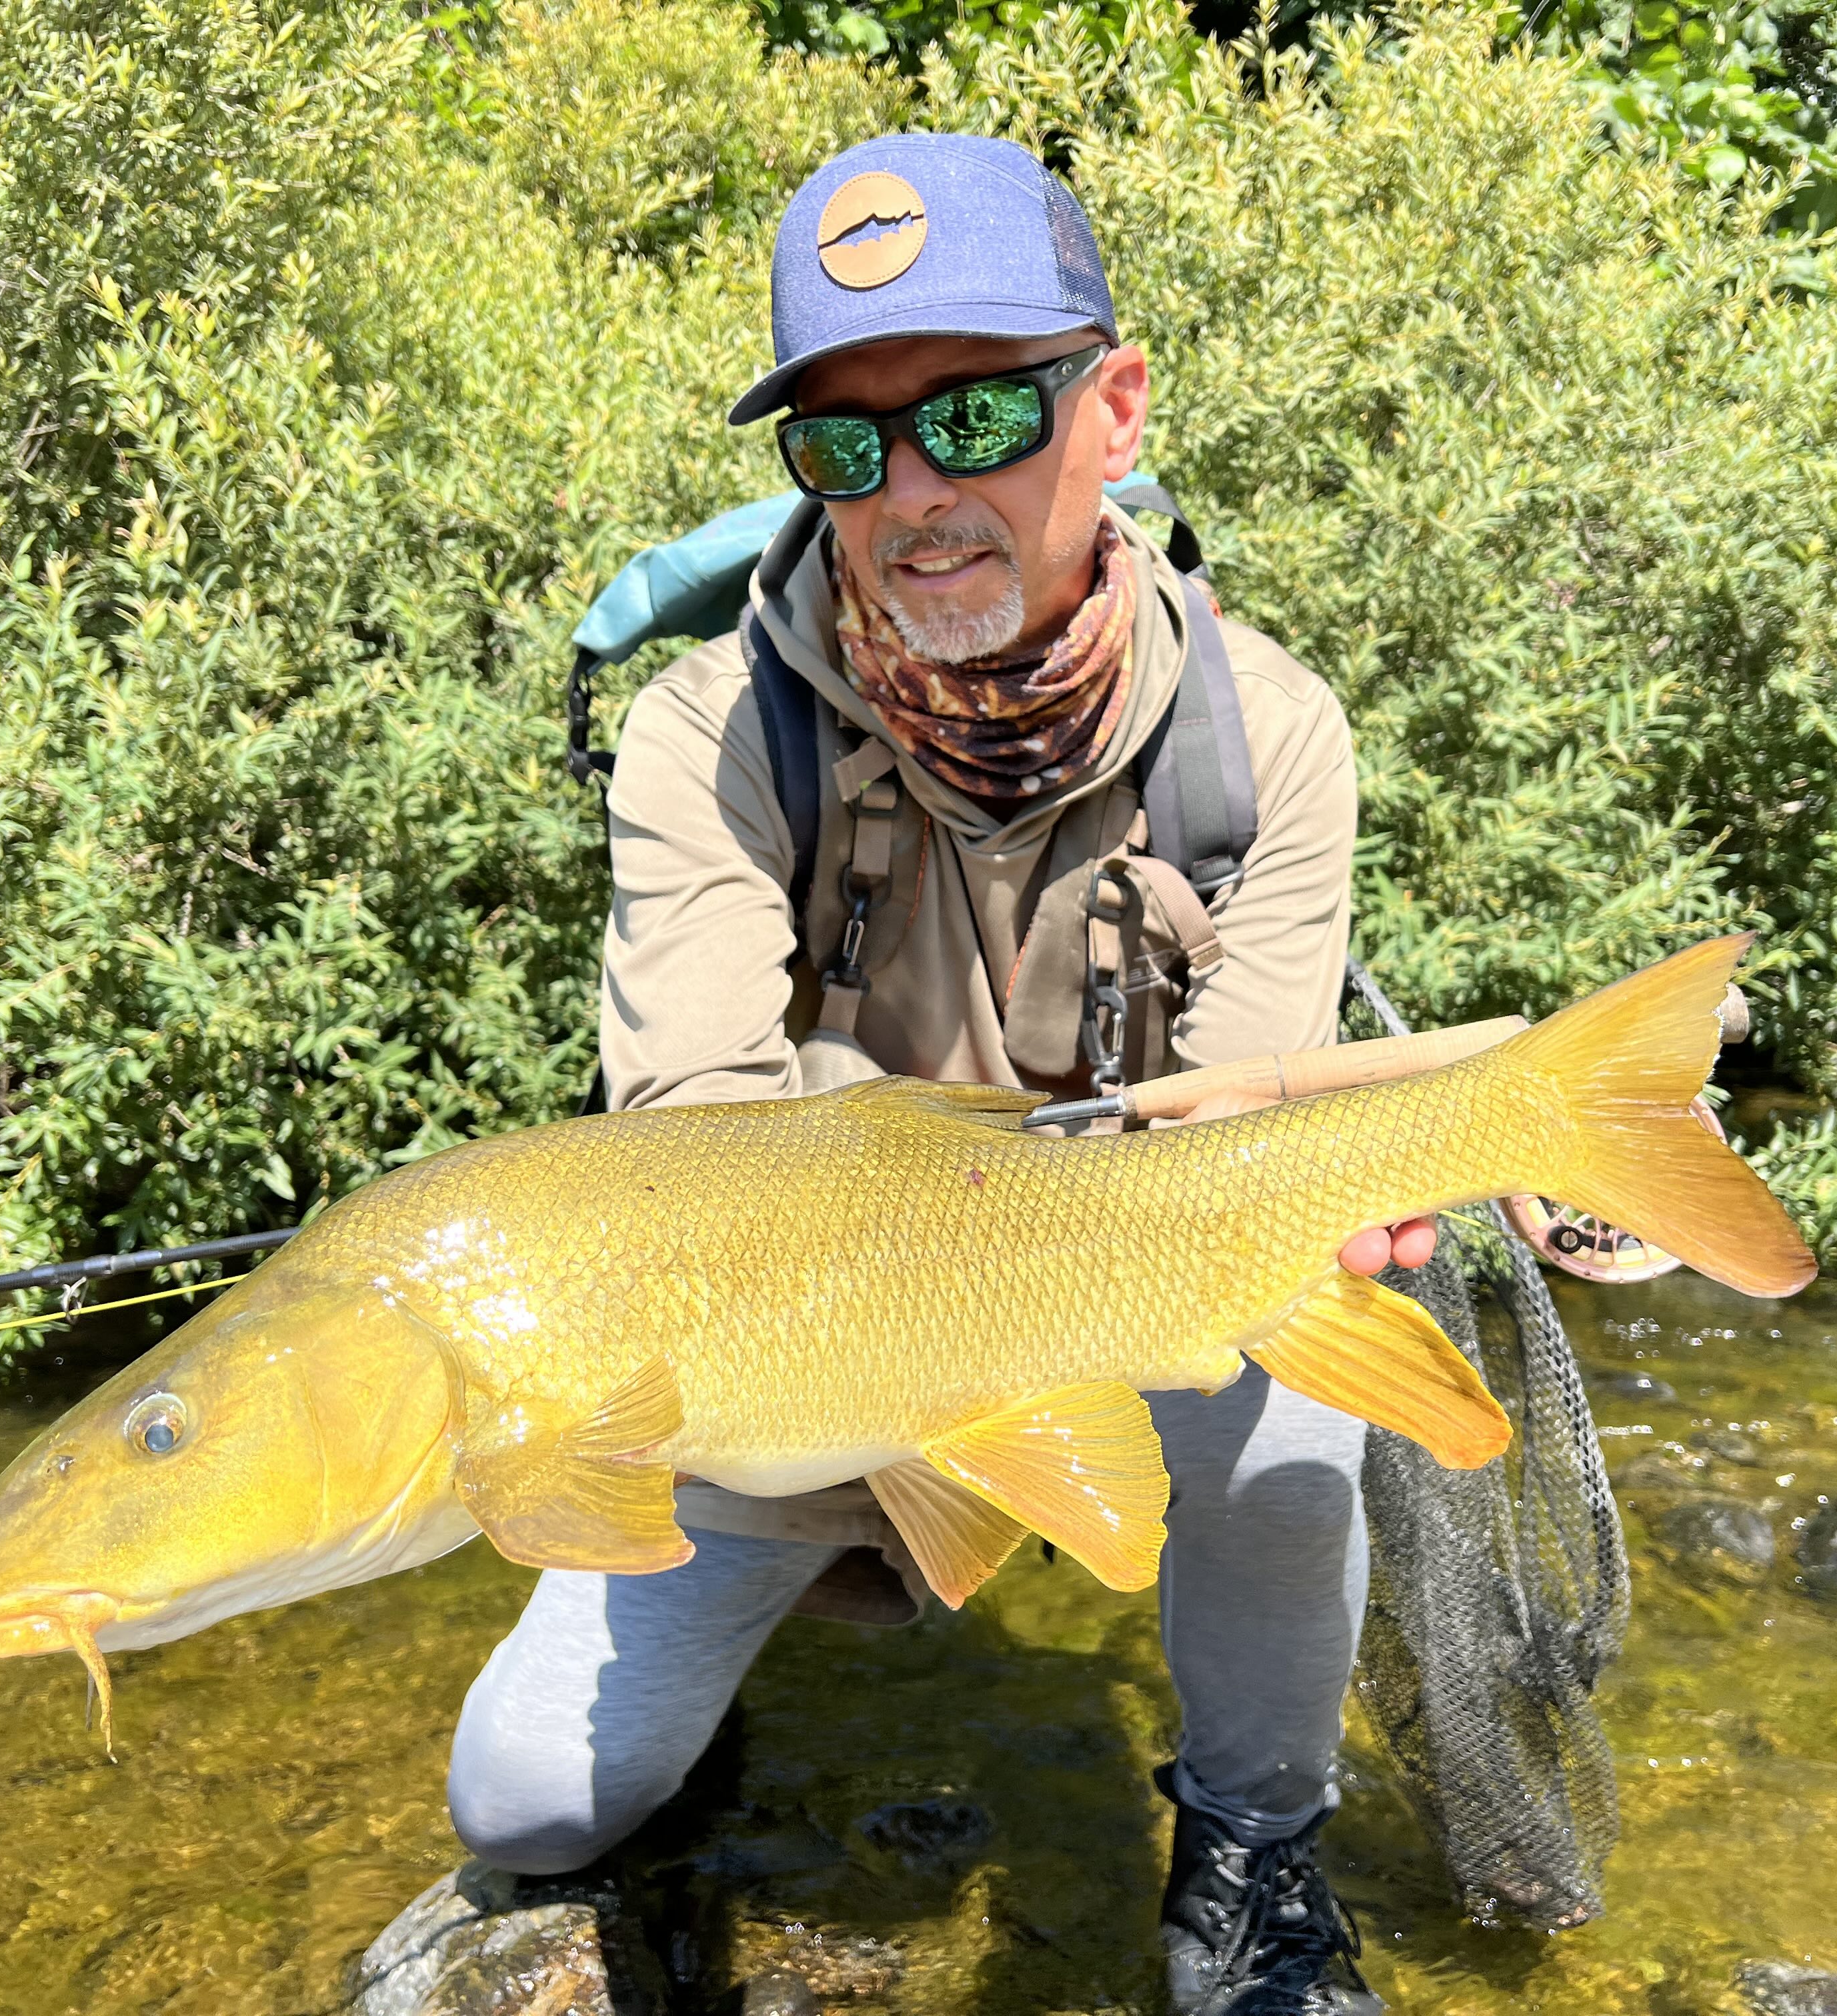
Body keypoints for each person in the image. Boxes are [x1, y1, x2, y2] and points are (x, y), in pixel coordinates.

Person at [445, 133, 1436, 2015]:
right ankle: (816, 1599)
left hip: (1118, 1300)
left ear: (1117, 408)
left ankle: (1252, 1858)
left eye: (977, 414)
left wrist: (1215, 1253)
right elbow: (692, 1163)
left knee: (1296, 1420)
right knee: (530, 1805)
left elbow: (1226, 1139)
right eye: (845, 443)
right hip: (788, 1354)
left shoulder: (1267, 744)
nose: (913, 493)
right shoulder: (708, 737)